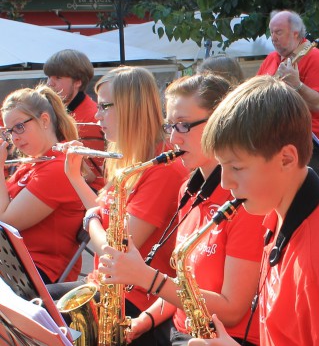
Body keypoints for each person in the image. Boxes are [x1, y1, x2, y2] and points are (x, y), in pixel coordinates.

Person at [188, 75, 319, 345]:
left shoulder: (318, 263)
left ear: (286, 159)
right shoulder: (285, 208)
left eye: (236, 167)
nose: (225, 183)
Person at [98, 74, 265, 346]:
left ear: (220, 124)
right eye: (170, 126)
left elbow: (233, 310)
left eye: (184, 126)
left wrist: (145, 278)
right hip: (177, 330)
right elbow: (184, 283)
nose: (174, 138)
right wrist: (146, 320)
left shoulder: (245, 202)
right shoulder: (189, 188)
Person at [52, 66, 189, 345]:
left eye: (104, 106)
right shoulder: (128, 162)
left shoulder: (163, 170)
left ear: (129, 108)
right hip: (104, 284)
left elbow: (118, 249)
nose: (97, 115)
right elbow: (105, 219)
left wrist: (89, 219)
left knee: (42, 320)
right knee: (29, 311)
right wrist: (74, 177)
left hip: (136, 298)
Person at [0, 85, 84, 284]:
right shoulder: (33, 163)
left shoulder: (57, 168)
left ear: (44, 120)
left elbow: (6, 222)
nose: (15, 138)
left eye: (19, 127)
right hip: (15, 266)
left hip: (37, 273)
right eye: (10, 131)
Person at [257, 10, 319, 141]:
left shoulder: (315, 57)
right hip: (270, 136)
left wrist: (297, 85)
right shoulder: (270, 58)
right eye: (271, 32)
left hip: (302, 139)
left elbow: (318, 105)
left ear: (295, 34)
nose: (273, 37)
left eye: (278, 32)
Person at [44, 49, 105, 190]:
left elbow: (93, 176)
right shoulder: (55, 111)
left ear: (77, 82)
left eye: (57, 78)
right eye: (49, 77)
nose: (49, 84)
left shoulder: (93, 118)